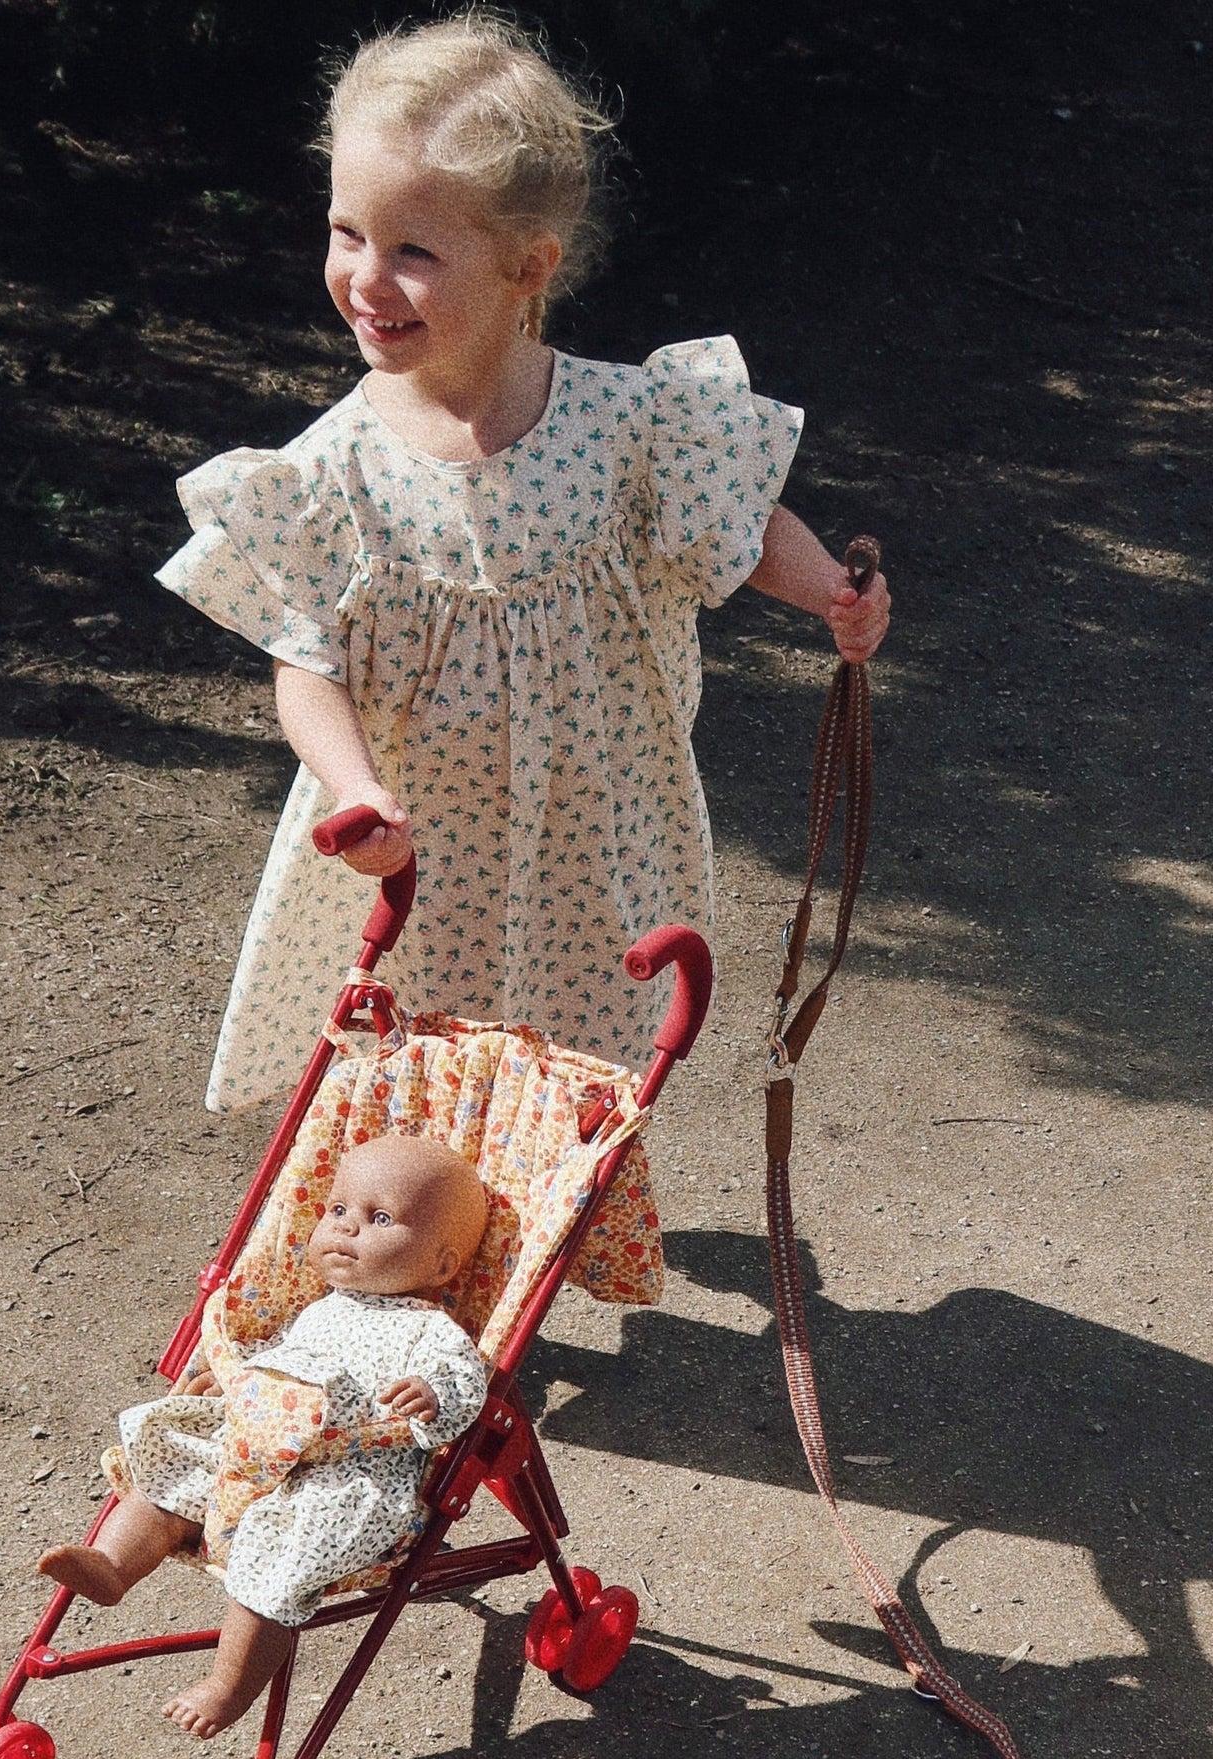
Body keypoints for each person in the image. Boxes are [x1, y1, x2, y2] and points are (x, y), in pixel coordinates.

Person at [155, 11, 892, 1113]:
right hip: (417, 855)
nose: (365, 277)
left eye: (412, 251)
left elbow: (737, 522)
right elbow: (302, 658)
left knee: (579, 1061)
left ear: (525, 266)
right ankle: (414, 1257)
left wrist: (827, 588)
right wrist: (355, 789)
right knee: (412, 1079)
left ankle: (545, 1221)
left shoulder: (625, 422)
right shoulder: (330, 471)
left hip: (596, 831)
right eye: (346, 232)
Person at [38, 1135, 490, 1737]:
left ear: (440, 1263)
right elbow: (283, 1362)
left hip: (343, 1473)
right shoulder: (321, 1307)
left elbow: (464, 1385)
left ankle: (229, 1686)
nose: (346, 1228)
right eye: (337, 1210)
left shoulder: (429, 1330)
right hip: (256, 1445)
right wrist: (231, 1384)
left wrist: (432, 1397)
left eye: (378, 1218)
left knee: (285, 1551)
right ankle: (114, 1565)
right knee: (179, 1458)